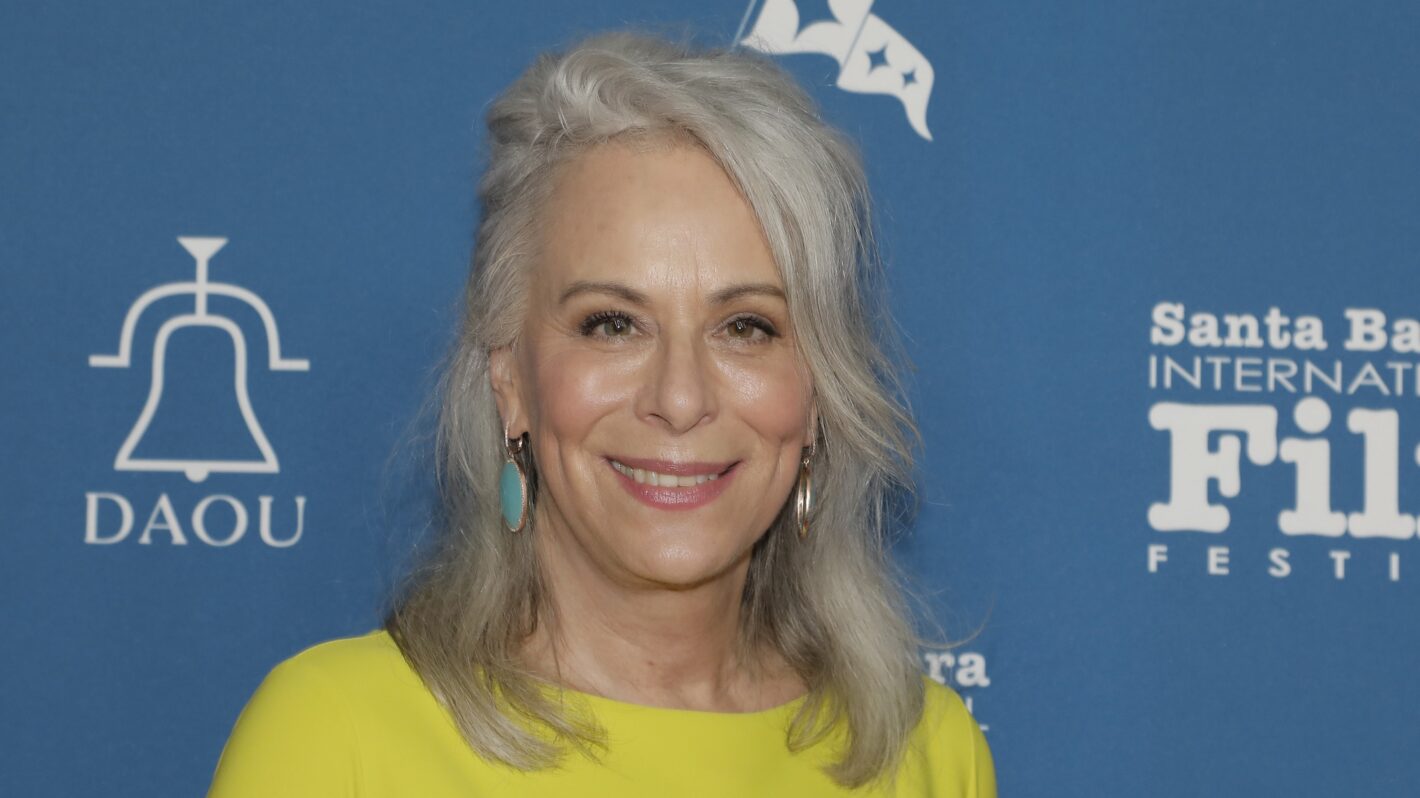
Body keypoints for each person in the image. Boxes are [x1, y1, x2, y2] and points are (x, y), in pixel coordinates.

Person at [207, 29, 995, 797]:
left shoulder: (923, 751)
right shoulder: (335, 738)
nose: (680, 399)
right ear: (510, 379)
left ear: (820, 389)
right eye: (612, 324)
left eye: (746, 326)